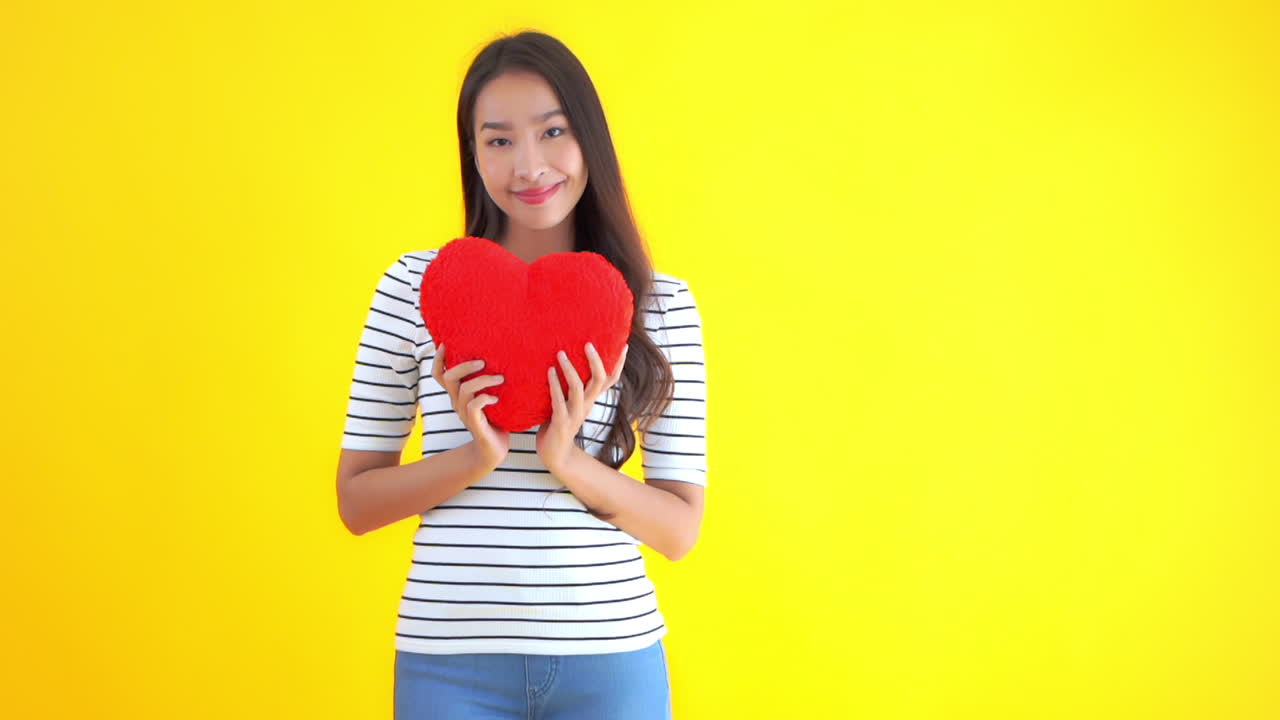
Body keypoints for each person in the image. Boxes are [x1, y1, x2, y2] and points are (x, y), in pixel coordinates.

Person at [335, 30, 707, 720]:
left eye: (552, 131)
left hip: (612, 659)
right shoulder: (415, 287)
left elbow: (679, 529)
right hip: (448, 662)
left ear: (588, 139)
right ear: (472, 154)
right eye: (498, 139)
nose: (529, 165)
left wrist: (564, 459)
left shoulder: (661, 303)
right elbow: (357, 502)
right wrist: (478, 455)